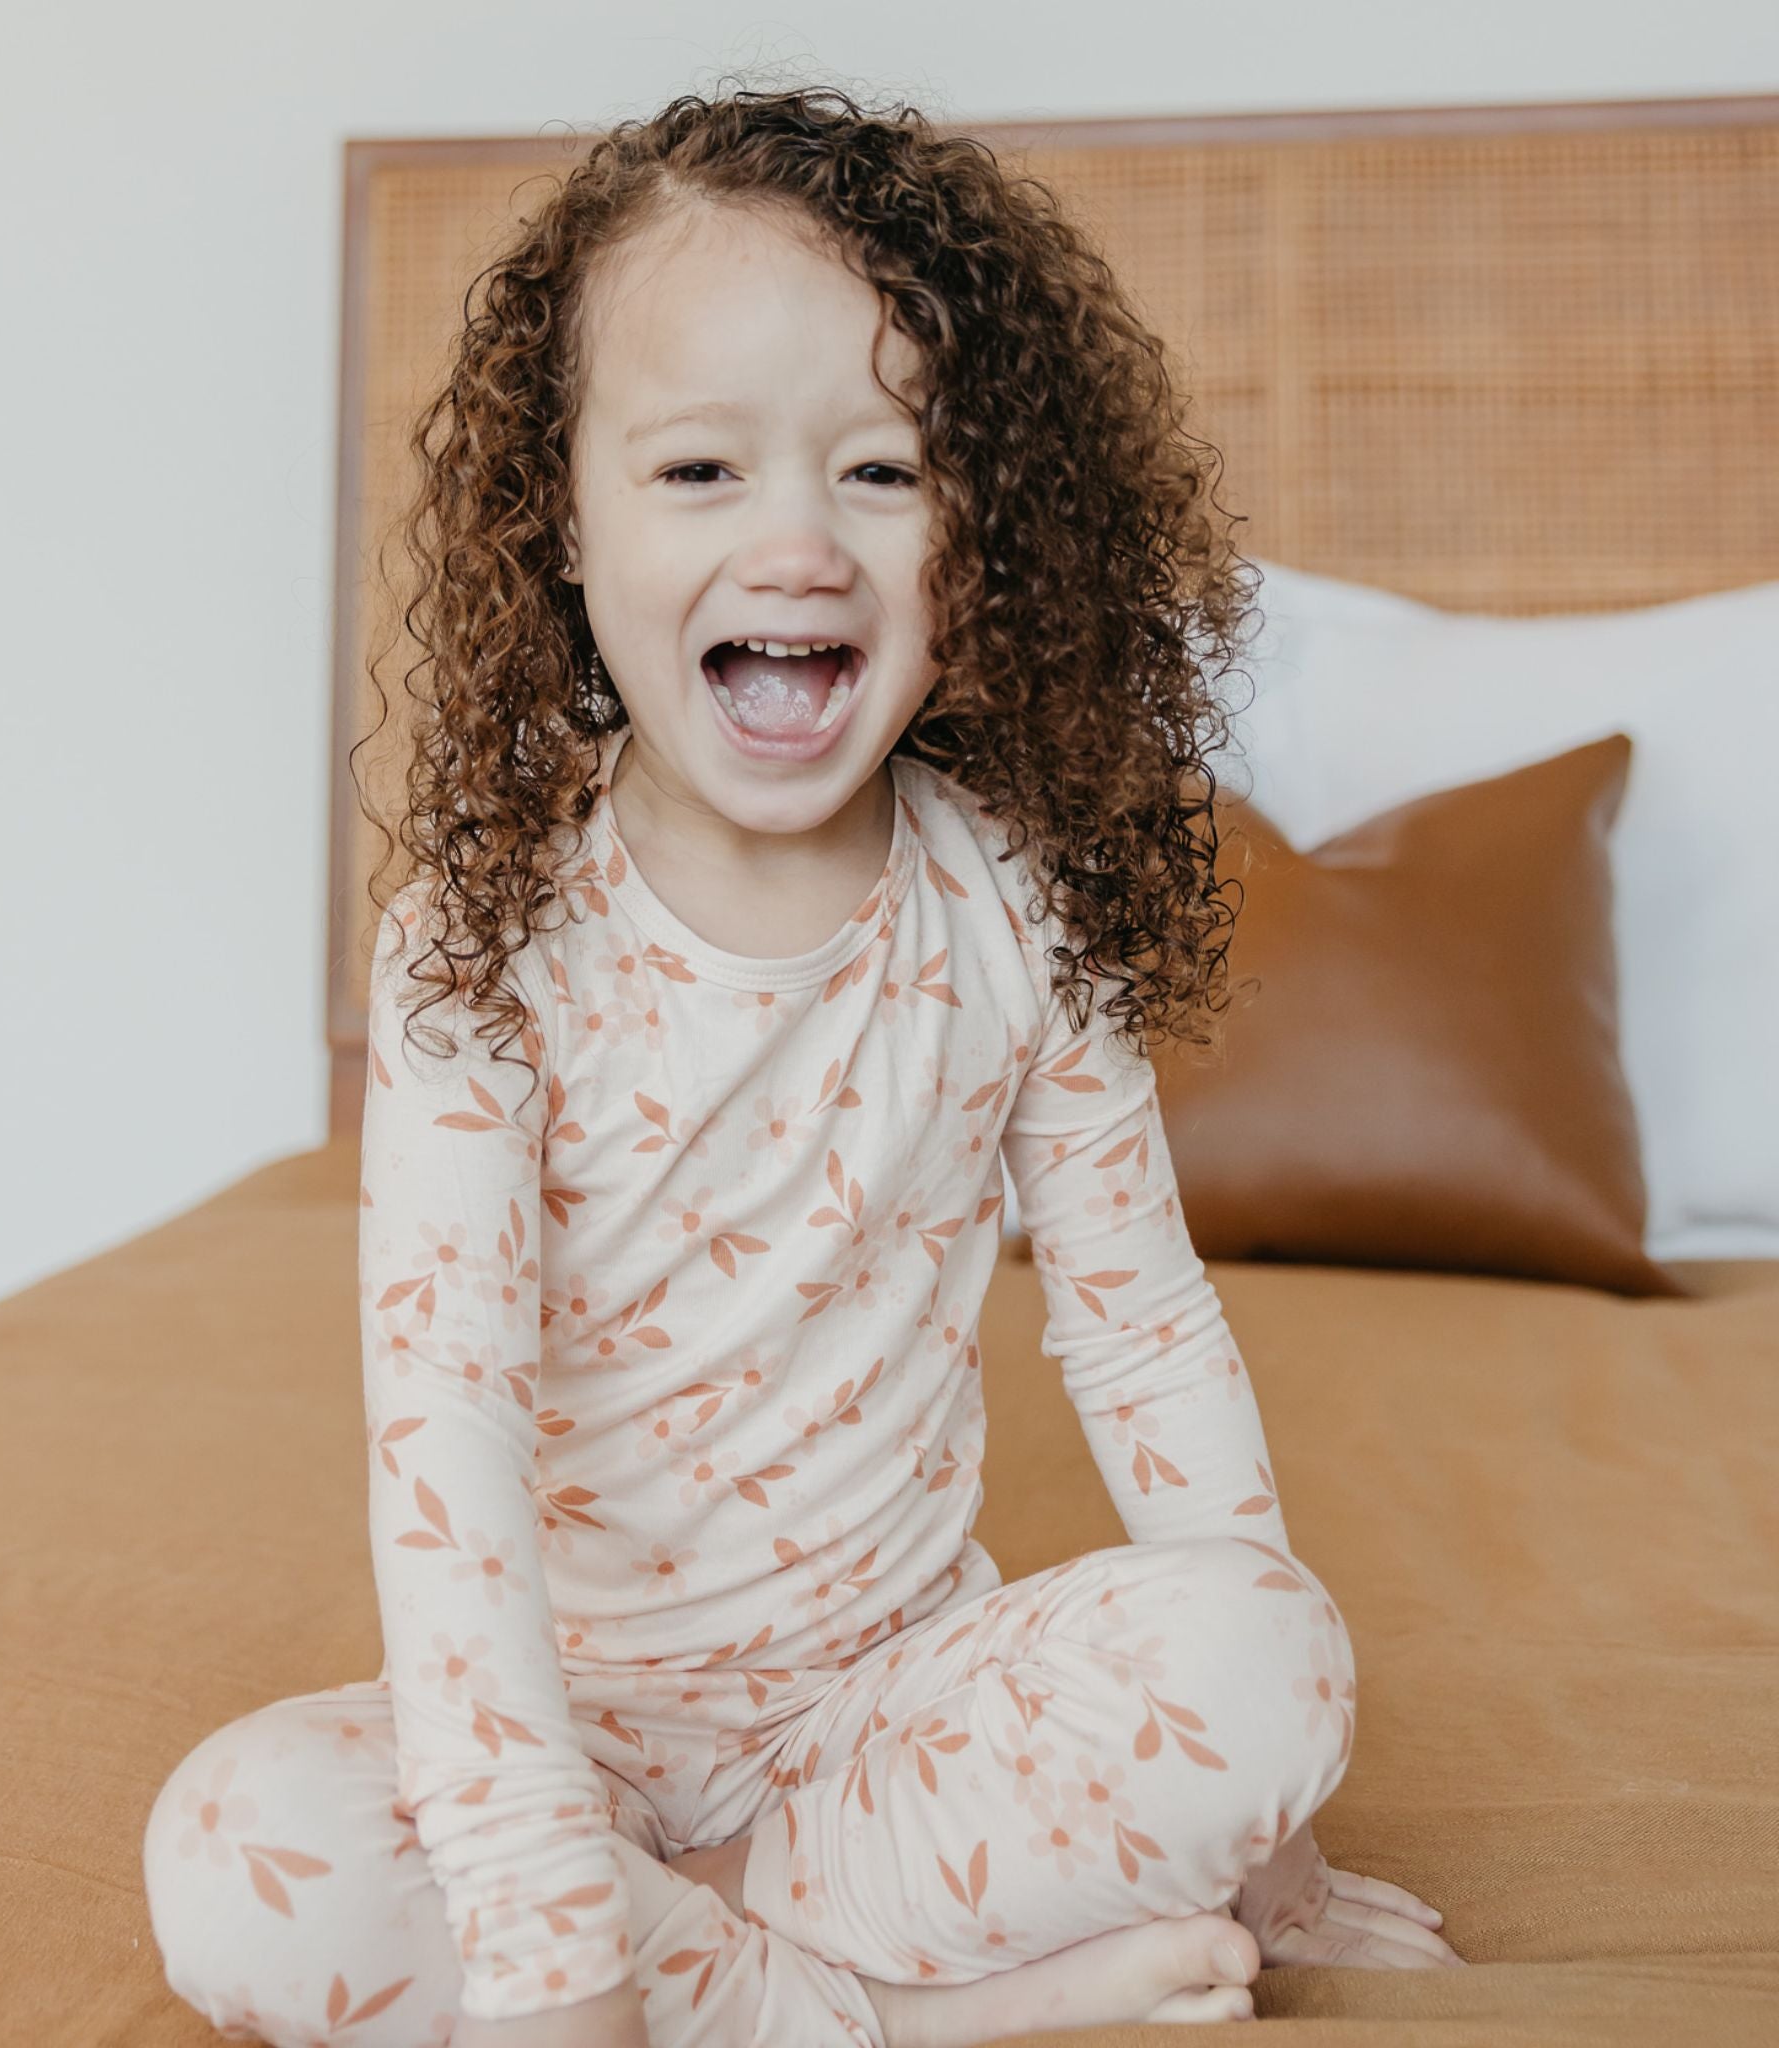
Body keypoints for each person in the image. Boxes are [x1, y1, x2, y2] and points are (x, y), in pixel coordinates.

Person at [143, 81, 1465, 2048]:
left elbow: (1139, 1329)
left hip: (886, 1730)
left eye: (881, 470)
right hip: (573, 1735)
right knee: (235, 1852)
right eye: (698, 469)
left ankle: (749, 1958)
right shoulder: (479, 946)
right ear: (562, 518)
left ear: (984, 528)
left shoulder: (1011, 902)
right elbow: (450, 1446)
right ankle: (912, 2012)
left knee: (1272, 1654)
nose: (796, 543)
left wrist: (1273, 1844)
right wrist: (542, 1939)